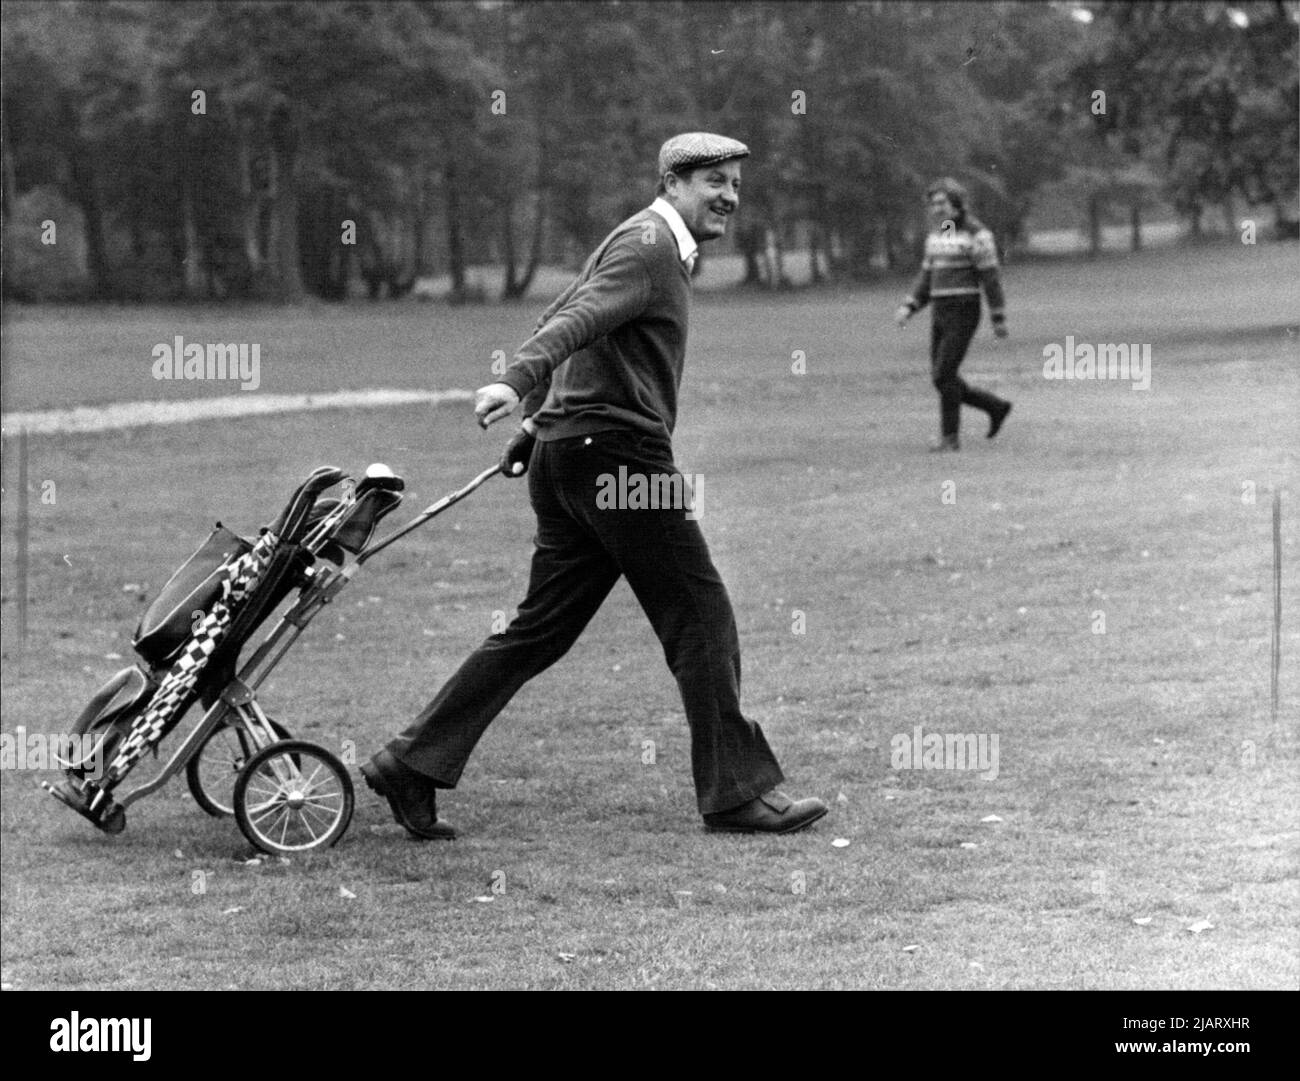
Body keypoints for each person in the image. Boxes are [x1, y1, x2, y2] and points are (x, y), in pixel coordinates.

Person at [362, 132, 828, 839]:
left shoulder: (644, 242)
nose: (730, 194)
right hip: (619, 461)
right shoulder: (649, 245)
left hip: (571, 452)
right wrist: (516, 383)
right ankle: (735, 793)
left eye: (735, 181)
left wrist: (535, 425)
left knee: (537, 631)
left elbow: (580, 326)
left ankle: (411, 761)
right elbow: (571, 323)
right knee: (701, 616)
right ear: (673, 183)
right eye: (713, 181)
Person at [894, 178, 1012, 452]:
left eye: (942, 203)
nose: (936, 209)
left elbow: (990, 278)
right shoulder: (938, 235)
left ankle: (950, 439)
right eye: (933, 204)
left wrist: (998, 317)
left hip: (964, 309)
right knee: (941, 376)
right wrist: (909, 306)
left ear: (957, 204)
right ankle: (995, 407)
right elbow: (928, 275)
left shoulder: (977, 233)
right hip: (940, 310)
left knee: (943, 375)